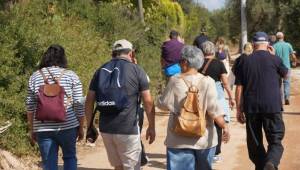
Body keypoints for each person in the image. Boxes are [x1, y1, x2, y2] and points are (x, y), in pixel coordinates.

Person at [85, 39, 156, 170]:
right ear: (131, 54)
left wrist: (89, 126)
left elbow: (89, 100)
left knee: (118, 166)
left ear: (113, 53)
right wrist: (151, 126)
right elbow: (148, 100)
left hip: (106, 129)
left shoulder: (100, 70)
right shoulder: (137, 70)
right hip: (128, 129)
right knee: (132, 167)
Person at [158, 45, 230, 170]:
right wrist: (225, 127)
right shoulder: (208, 81)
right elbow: (214, 110)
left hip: (178, 140)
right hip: (203, 140)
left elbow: (163, 105)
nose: (179, 63)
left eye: (180, 60)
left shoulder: (175, 80)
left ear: (185, 62)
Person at [26, 44, 85, 170]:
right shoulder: (71, 75)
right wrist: (81, 127)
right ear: (63, 58)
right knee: (69, 157)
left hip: (43, 128)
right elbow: (79, 104)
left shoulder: (35, 76)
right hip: (68, 126)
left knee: (49, 162)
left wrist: (32, 129)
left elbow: (30, 106)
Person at [235, 32, 288, 170]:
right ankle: (271, 162)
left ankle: (262, 166)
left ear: (253, 45)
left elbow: (239, 87)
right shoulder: (274, 59)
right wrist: (274, 56)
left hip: (251, 107)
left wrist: (238, 109)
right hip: (272, 106)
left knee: (254, 142)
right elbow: (286, 75)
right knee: (275, 139)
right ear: (268, 45)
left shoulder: (244, 61)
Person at [198, 41, 235, 163]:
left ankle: (201, 150)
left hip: (201, 97)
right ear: (213, 51)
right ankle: (215, 153)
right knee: (218, 124)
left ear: (202, 51)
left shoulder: (197, 64)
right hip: (217, 97)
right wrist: (231, 97)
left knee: (202, 123)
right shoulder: (219, 64)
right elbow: (225, 82)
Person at [273, 32, 297, 105]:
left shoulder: (274, 46)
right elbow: (293, 55)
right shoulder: (288, 45)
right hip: (287, 67)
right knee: (287, 82)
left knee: (278, 84)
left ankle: (280, 100)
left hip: (277, 68)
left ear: (277, 38)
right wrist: (294, 61)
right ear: (283, 37)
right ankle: (287, 98)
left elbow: (272, 56)